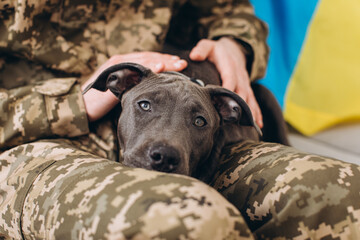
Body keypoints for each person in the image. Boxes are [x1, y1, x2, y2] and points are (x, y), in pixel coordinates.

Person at [1, 1, 359, 239]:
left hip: (188, 122)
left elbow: (227, 9)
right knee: (186, 220)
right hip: (34, 140)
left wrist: (235, 42)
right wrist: (68, 102)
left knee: (343, 190)